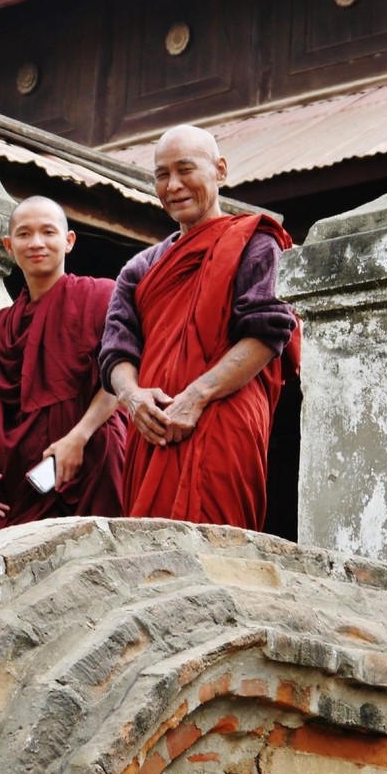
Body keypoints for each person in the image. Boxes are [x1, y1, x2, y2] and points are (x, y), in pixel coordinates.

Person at [100, 125, 298, 531]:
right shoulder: (140, 268)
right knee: (145, 547)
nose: (173, 186)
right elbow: (115, 352)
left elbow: (268, 332)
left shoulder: (254, 243)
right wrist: (133, 397)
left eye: (185, 170)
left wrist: (197, 395)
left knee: (217, 544)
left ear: (220, 170)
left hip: (225, 416)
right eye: (161, 175)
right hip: (152, 426)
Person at [0, 196, 127, 531]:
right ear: (9, 247)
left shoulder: (101, 296)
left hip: (91, 459)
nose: (36, 243)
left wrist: (78, 438)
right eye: (24, 235)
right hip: (21, 479)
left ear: (68, 242)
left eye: (48, 232)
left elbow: (120, 377)